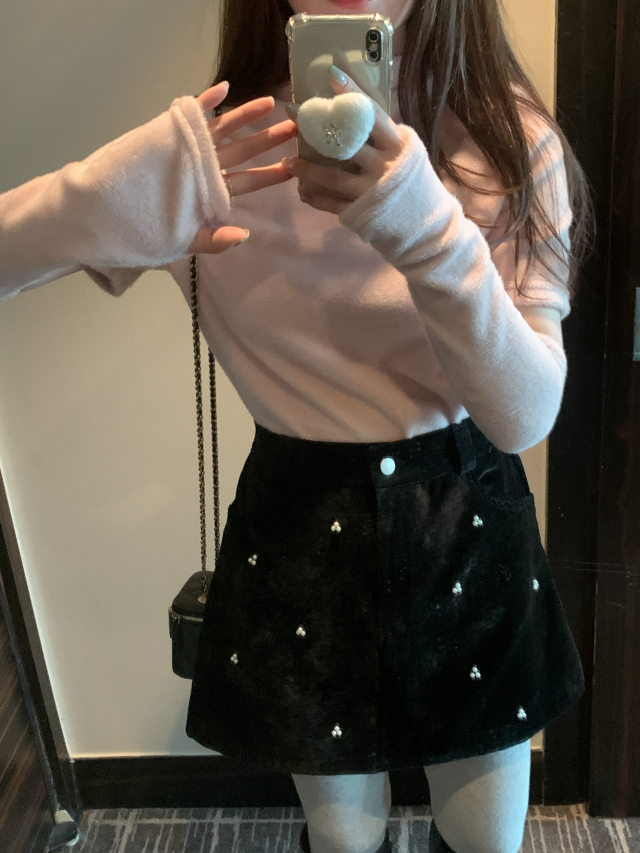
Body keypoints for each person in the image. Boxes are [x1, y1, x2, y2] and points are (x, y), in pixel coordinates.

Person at [0, 1, 592, 852]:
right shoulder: (219, 156)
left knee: (484, 838)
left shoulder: (507, 141)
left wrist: (426, 228)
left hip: (466, 520)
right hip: (302, 529)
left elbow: (524, 415)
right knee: (343, 839)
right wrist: (102, 196)